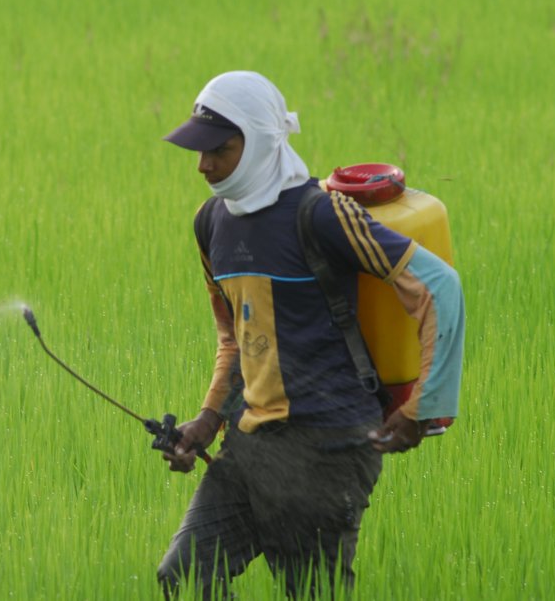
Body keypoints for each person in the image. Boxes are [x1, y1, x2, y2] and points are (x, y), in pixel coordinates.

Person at [156, 71, 465, 599]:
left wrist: (422, 408)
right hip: (251, 442)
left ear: (259, 142)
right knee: (184, 580)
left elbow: (438, 286)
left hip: (330, 446)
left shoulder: (319, 214)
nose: (204, 165)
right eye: (199, 151)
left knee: (313, 592)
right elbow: (236, 336)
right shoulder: (211, 223)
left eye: (219, 150)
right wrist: (207, 421)